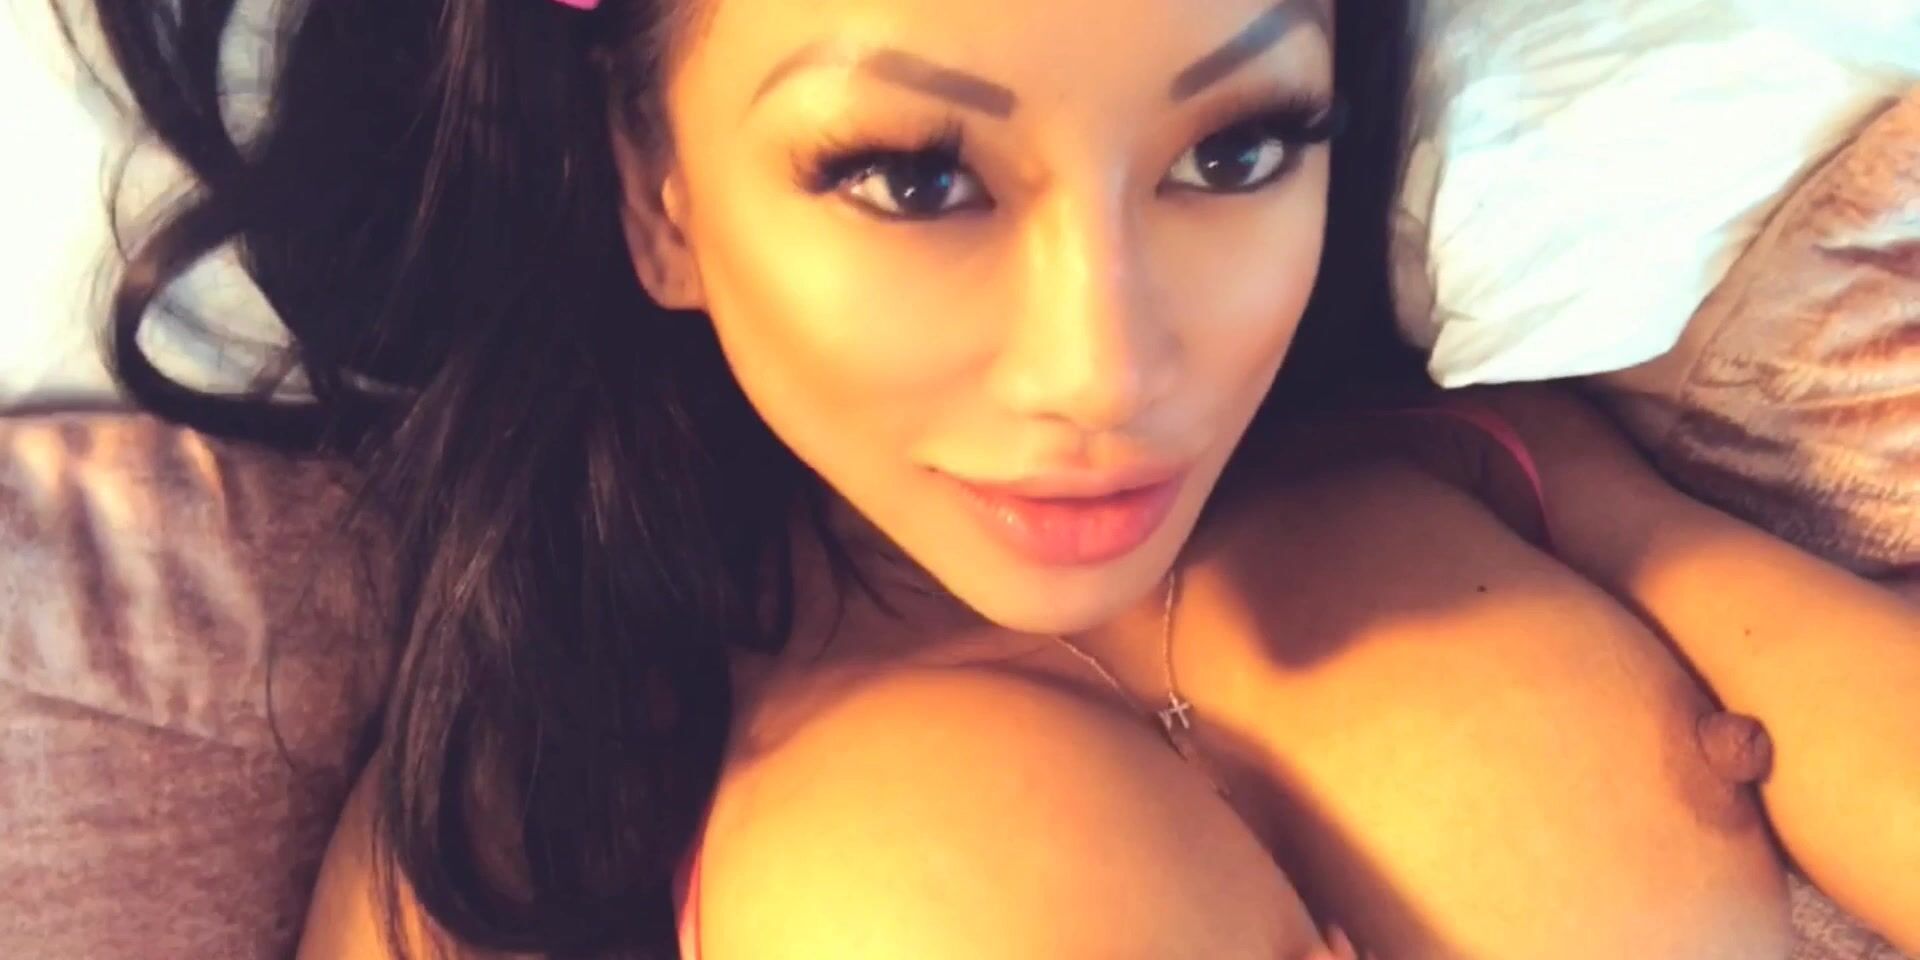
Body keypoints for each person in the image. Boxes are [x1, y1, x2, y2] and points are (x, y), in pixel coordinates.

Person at [68, 0, 1918, 956]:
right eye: (912, 175)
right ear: (656, 192)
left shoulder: (1509, 469)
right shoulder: (525, 822)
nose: (1107, 368)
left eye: (1238, 148)